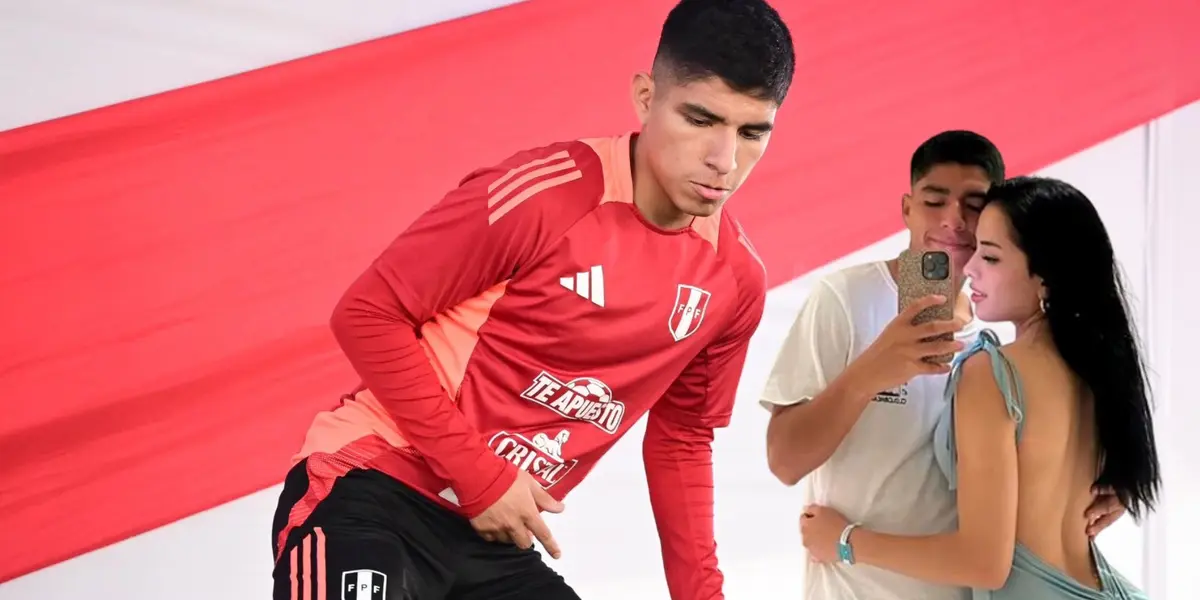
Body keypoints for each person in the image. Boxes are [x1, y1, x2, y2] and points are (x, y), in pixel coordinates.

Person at [269, 1, 795, 599]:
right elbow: (366, 315)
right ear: (646, 97)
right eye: (700, 120)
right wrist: (483, 478)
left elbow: (681, 440)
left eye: (752, 132)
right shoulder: (547, 195)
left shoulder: (735, 281)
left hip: (493, 541)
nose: (724, 160)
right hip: (372, 490)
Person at [761, 131, 1127, 600]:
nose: (953, 220)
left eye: (973, 205)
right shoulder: (846, 299)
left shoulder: (995, 338)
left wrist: (1097, 485)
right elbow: (784, 461)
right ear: (907, 208)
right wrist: (871, 372)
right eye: (935, 201)